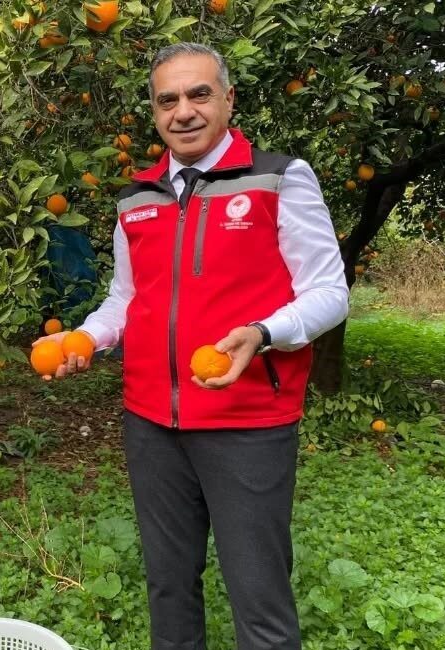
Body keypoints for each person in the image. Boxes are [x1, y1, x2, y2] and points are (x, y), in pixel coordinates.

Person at [36, 43, 349, 650]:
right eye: (168, 100)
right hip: (152, 425)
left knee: (259, 597)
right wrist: (86, 338)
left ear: (228, 99)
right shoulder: (137, 197)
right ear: (155, 113)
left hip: (247, 422)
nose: (184, 111)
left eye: (199, 94)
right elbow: (125, 299)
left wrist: (262, 333)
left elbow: (329, 292)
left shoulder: (278, 178)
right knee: (169, 588)